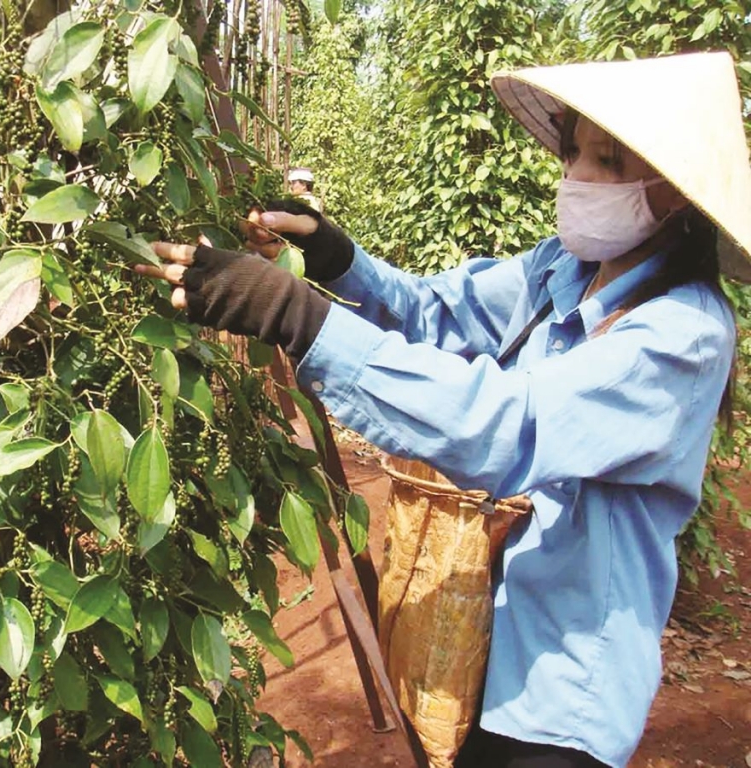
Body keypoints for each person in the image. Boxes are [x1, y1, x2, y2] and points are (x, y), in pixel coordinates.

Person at [136, 52, 751, 768]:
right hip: (474, 651)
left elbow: (506, 426)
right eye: (575, 151)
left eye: (606, 162)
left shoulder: (683, 334)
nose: (576, 175)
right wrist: (335, 259)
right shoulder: (560, 269)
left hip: (560, 691)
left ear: (672, 194)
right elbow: (437, 311)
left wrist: (297, 316)